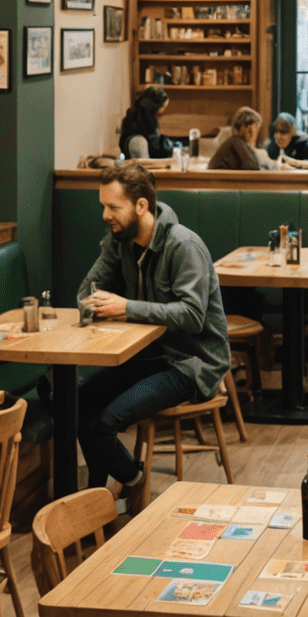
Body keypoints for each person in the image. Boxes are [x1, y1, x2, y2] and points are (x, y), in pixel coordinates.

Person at [75, 162, 231, 496]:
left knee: (104, 423)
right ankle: (98, 501)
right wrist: (96, 304)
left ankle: (128, 485)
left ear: (141, 206)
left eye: (113, 207)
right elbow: (86, 293)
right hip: (153, 355)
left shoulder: (183, 245)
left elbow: (192, 316)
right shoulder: (122, 240)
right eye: (103, 206)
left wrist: (126, 307)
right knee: (78, 403)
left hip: (192, 362)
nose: (105, 215)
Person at [118, 85, 176, 160]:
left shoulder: (138, 136)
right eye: (158, 113)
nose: (159, 117)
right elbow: (144, 169)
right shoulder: (138, 142)